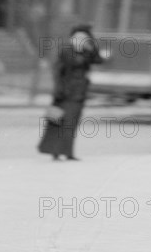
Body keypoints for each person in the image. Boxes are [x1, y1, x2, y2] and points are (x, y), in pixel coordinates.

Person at [38, 25, 103, 161]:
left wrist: (91, 44)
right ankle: (56, 151)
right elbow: (61, 70)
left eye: (85, 38)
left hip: (78, 93)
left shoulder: (84, 50)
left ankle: (67, 152)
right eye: (80, 37)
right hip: (66, 93)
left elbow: (98, 59)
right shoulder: (68, 50)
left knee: (71, 123)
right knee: (60, 122)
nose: (83, 40)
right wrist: (59, 91)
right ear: (73, 38)